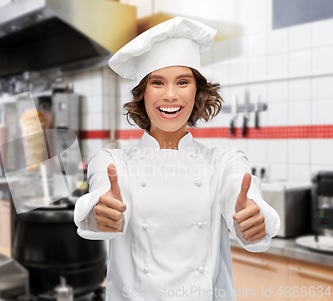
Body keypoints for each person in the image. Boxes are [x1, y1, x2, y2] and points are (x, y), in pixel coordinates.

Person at [73, 17, 281, 301]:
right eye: (157, 82)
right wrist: (101, 215)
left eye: (183, 82)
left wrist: (253, 220)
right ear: (142, 93)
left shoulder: (223, 162)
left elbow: (242, 195)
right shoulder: (112, 162)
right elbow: (100, 199)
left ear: (197, 91)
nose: (170, 95)